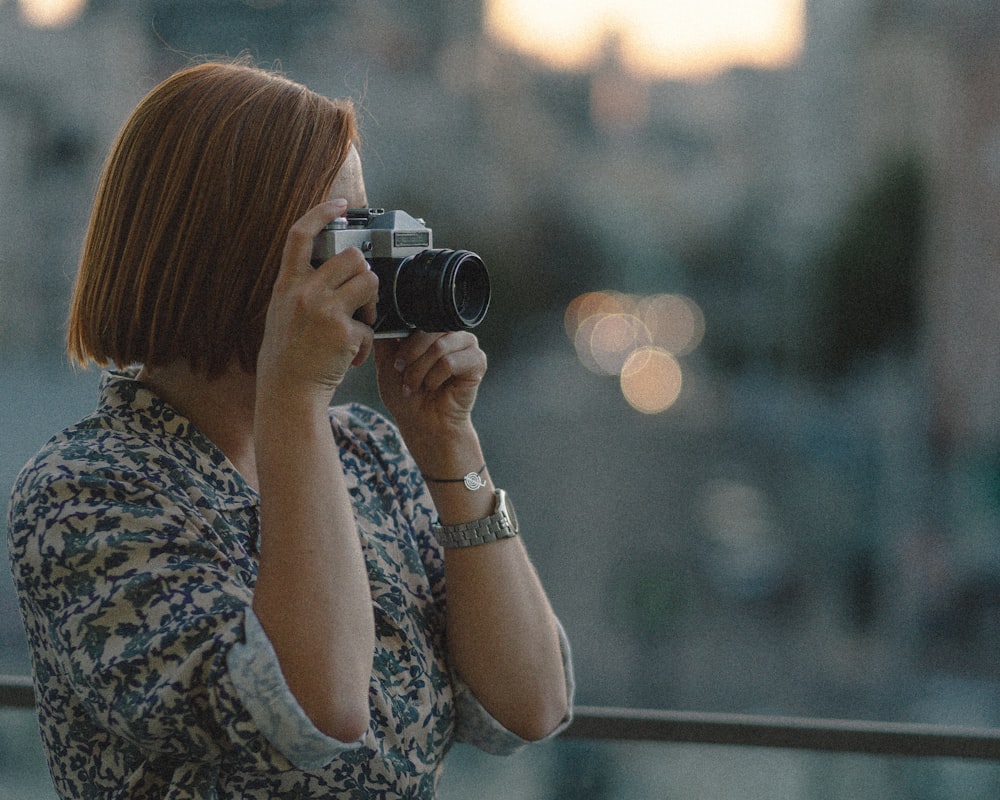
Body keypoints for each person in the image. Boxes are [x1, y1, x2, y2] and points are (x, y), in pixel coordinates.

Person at [7, 61, 572, 799]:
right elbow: (316, 710)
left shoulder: (366, 455)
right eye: (341, 233)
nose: (369, 264)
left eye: (370, 227)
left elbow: (532, 704)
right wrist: (296, 396)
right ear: (228, 248)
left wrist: (450, 450)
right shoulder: (86, 492)